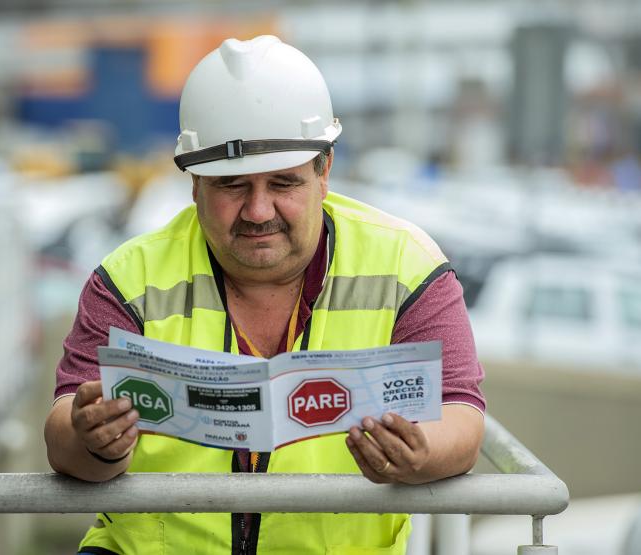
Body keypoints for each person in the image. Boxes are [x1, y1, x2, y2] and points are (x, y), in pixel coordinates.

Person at [45, 35, 485, 555]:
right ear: (195, 184)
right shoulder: (128, 279)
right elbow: (64, 429)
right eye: (232, 185)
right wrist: (95, 442)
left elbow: (460, 412)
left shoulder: (408, 268)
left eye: (282, 183)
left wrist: (419, 455)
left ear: (324, 171)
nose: (257, 211)